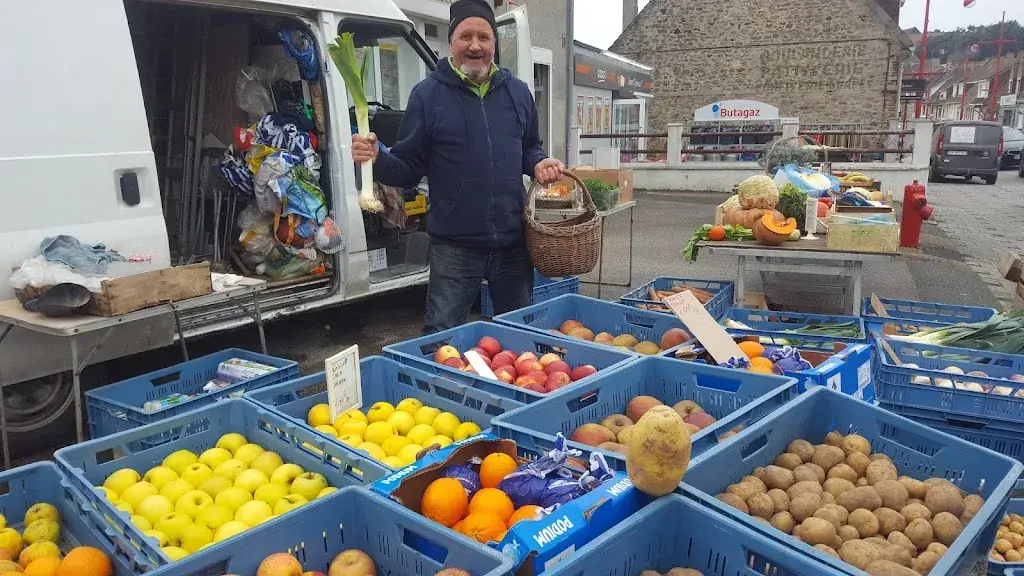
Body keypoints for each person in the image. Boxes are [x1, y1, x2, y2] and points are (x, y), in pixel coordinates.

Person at [351, 0, 564, 334]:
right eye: (466, 36)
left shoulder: (518, 93)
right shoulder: (427, 95)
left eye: (484, 36)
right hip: (454, 246)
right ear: (452, 43)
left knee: (520, 336)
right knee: (442, 337)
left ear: (494, 43)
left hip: (512, 241)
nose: (475, 45)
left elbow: (529, 148)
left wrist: (539, 163)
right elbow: (407, 168)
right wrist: (376, 158)